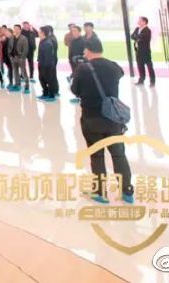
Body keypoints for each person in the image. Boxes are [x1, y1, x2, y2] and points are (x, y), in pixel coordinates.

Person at [70, 41, 134, 204]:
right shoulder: (114, 67)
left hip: (91, 119)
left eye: (85, 50)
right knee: (119, 154)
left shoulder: (82, 69)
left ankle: (100, 192)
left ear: (88, 50)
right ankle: (127, 191)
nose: (84, 53)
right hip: (113, 119)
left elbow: (75, 90)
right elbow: (120, 73)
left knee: (97, 156)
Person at [36, 25, 59, 100]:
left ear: (43, 33)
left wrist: (45, 67)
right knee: (41, 79)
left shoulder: (47, 43)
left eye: (39, 32)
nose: (38, 33)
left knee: (49, 80)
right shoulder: (42, 41)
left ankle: (52, 95)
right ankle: (45, 93)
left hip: (47, 66)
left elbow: (48, 58)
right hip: (41, 63)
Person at [131, 17, 155, 86]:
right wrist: (137, 37)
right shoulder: (137, 29)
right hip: (138, 51)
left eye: (140, 20)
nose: (138, 21)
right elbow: (132, 36)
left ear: (144, 22)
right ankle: (141, 80)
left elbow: (142, 37)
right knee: (140, 66)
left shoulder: (147, 30)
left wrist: (137, 36)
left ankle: (152, 81)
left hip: (145, 51)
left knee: (149, 67)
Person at [67, 25, 86, 103]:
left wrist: (80, 60)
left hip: (81, 65)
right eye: (72, 31)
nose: (73, 33)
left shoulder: (83, 41)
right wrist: (70, 60)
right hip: (73, 64)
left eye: (75, 31)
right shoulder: (72, 41)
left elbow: (85, 54)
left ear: (79, 32)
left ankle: (82, 97)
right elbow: (70, 53)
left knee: (82, 81)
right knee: (76, 81)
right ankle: (77, 96)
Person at [9, 24, 30, 94]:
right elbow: (9, 47)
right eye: (14, 28)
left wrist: (22, 58)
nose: (15, 30)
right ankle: (17, 84)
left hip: (20, 58)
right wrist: (10, 56)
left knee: (23, 72)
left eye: (17, 29)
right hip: (13, 58)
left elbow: (25, 49)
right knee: (15, 72)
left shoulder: (24, 38)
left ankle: (27, 86)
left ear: (20, 30)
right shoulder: (12, 37)